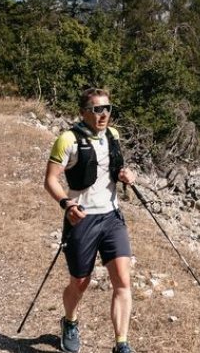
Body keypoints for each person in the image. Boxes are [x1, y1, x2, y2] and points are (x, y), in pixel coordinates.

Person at [44, 88, 137, 353]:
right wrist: (66, 203)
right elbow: (50, 179)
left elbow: (115, 167)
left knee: (122, 279)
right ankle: (70, 322)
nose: (104, 114)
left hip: (111, 216)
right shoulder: (68, 140)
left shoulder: (113, 135)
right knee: (80, 282)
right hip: (82, 219)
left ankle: (121, 344)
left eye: (108, 108)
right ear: (84, 112)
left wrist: (126, 174)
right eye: (97, 109)